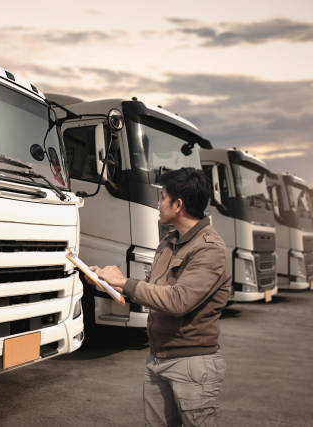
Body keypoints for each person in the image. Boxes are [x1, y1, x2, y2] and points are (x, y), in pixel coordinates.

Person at [89, 167, 231, 427]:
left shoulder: (210, 249)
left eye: (163, 197)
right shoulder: (168, 241)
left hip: (191, 364)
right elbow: (151, 290)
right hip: (158, 358)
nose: (158, 203)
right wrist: (112, 284)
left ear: (178, 204)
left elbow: (179, 301)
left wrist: (125, 282)